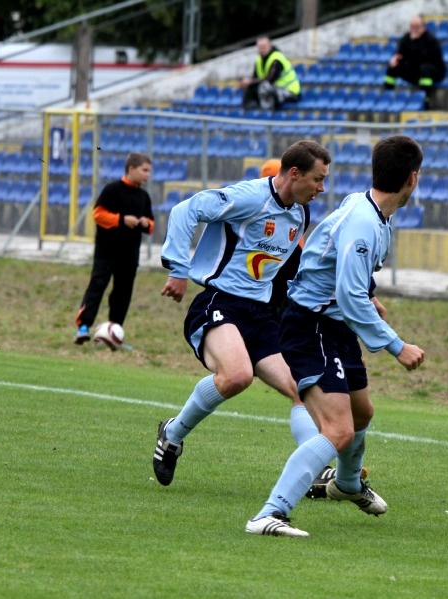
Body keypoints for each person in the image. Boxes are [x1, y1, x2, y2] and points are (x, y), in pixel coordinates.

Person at [245, 135, 426, 537]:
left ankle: (346, 485)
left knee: (362, 413)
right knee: (339, 429)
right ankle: (269, 514)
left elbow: (329, 254)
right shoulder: (365, 221)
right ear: (412, 178)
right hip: (312, 325)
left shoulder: (366, 207)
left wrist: (369, 295)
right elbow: (346, 291)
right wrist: (397, 346)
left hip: (334, 324)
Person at [152, 140, 331, 488]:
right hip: (219, 302)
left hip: (260, 315)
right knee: (236, 377)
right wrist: (176, 268)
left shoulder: (300, 213)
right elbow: (184, 210)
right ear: (294, 173)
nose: (322, 188)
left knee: (302, 388)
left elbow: (293, 269)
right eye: (318, 179)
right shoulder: (250, 197)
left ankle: (314, 471)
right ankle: (172, 435)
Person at [74, 152, 154, 344]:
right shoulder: (112, 190)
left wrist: (144, 222)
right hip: (106, 252)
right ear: (131, 169)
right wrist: (121, 219)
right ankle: (83, 327)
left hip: (130, 254)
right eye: (144, 170)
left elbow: (151, 225)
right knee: (97, 285)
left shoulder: (144, 196)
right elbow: (98, 214)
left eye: (149, 171)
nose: (147, 175)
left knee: (123, 292)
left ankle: (113, 332)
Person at [383, 15, 446, 110]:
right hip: (414, 70)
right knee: (392, 68)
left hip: (433, 71)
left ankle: (425, 99)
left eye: (417, 27)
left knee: (424, 68)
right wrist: (395, 59)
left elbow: (424, 57)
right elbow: (400, 53)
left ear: (423, 27)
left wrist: (415, 42)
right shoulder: (406, 38)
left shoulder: (431, 40)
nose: (415, 30)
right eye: (412, 27)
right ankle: (387, 96)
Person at [240, 36, 301, 111]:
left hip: (289, 91)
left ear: (270, 46)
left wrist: (251, 82)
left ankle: (267, 112)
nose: (261, 49)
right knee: (248, 86)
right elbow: (255, 77)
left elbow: (271, 79)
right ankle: (248, 110)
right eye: (259, 47)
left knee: (264, 86)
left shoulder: (277, 58)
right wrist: (248, 82)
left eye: (264, 47)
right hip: (275, 89)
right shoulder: (259, 60)